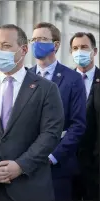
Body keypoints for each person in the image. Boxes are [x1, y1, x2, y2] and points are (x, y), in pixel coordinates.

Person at [0, 24, 64, 201]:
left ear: (23, 50)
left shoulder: (47, 89)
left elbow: (51, 134)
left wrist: (20, 165)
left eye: (6, 46)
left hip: (29, 187)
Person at [29, 22, 86, 201]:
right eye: (34, 39)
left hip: (57, 167)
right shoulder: (25, 76)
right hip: (26, 164)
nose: (37, 43)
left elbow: (78, 124)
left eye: (43, 39)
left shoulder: (73, 79)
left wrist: (53, 157)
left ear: (56, 44)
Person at [70, 32, 99, 201]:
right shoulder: (64, 79)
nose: (79, 52)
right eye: (75, 48)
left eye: (83, 47)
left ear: (94, 51)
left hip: (95, 166)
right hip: (67, 162)